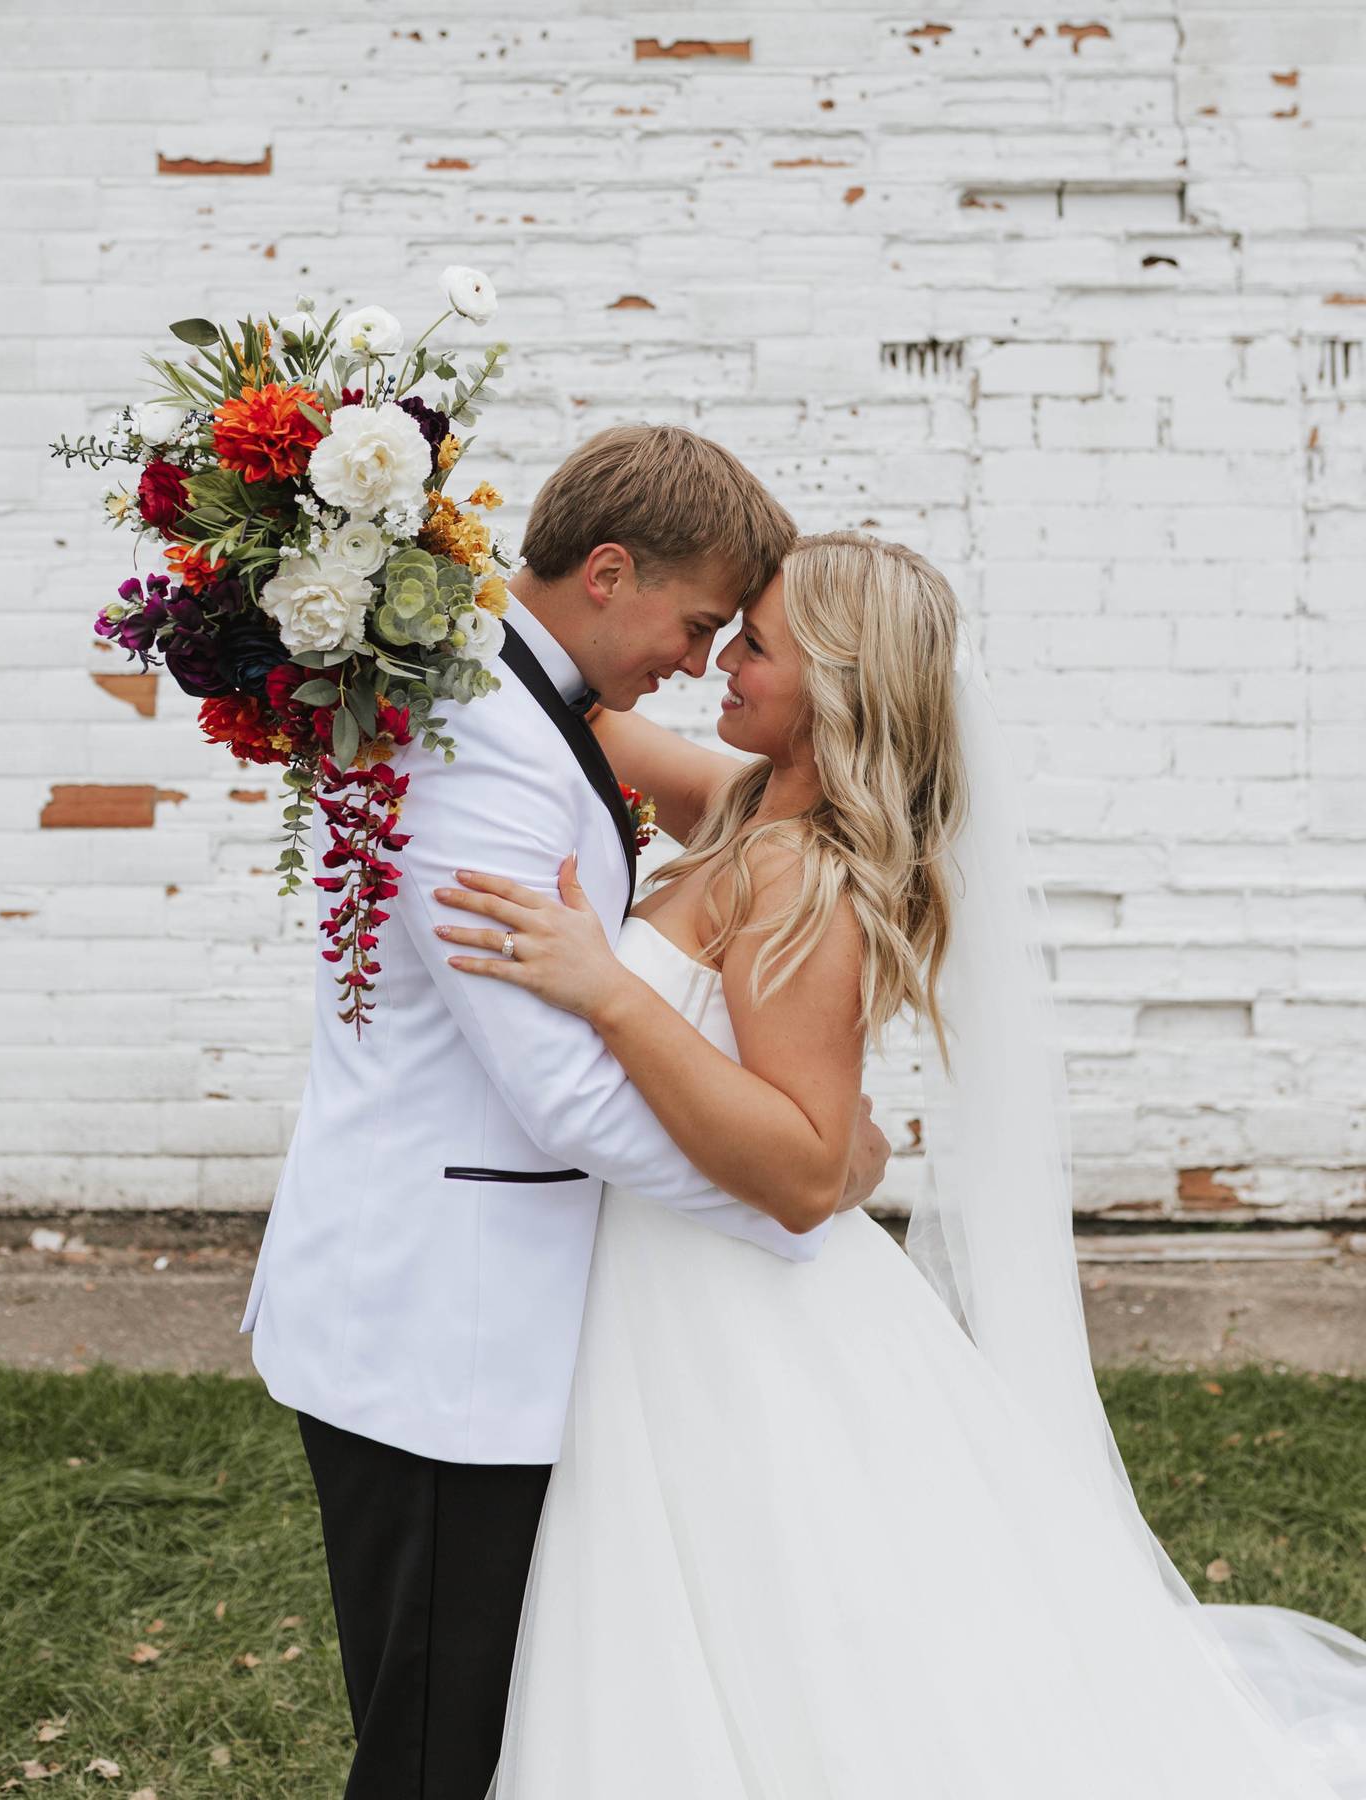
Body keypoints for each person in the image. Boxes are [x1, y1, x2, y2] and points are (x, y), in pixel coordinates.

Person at [435, 530, 1366, 1798]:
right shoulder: (744, 803)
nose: (720, 663)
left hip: (733, 1307)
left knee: (796, 1649)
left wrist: (608, 990)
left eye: (751, 647)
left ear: (832, 684)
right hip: (660, 1283)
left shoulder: (802, 876)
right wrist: (393, 596)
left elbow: (812, 1164)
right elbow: (559, 718)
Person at [237, 429, 891, 1799]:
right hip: (442, 1331)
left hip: (476, 1313)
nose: (703, 662)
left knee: (484, 1724)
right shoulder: (487, 747)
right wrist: (802, 1194)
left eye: (740, 644)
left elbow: (697, 789)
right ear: (608, 573)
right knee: (435, 1749)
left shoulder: (521, 699)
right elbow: (567, 1093)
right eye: (702, 623)